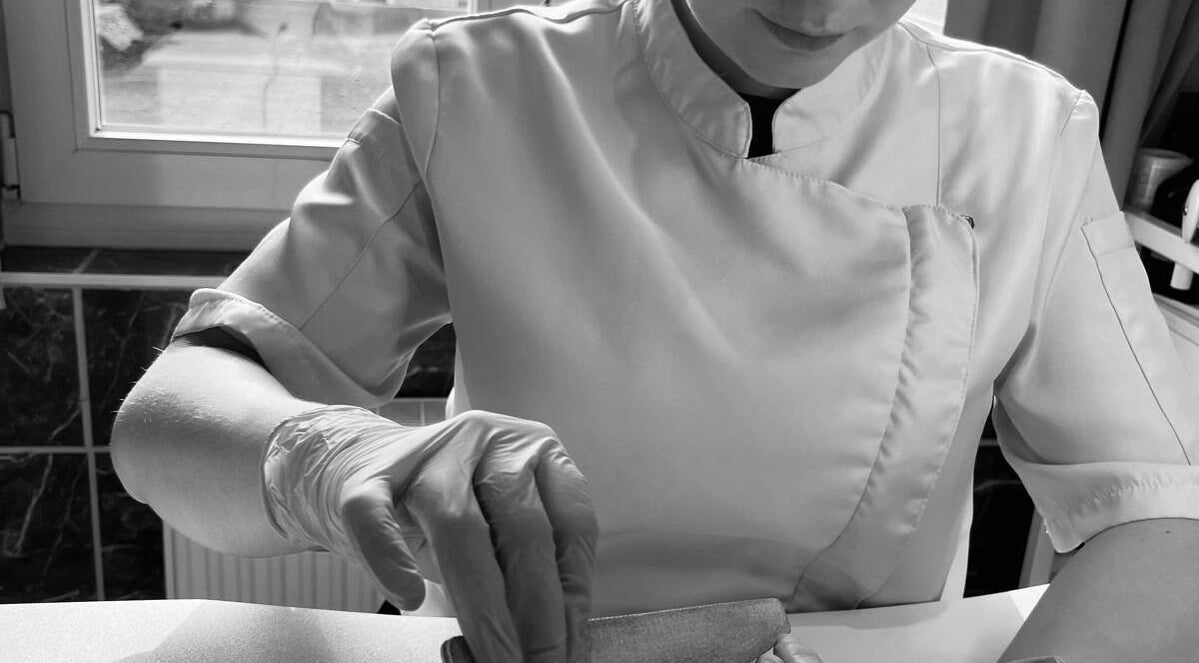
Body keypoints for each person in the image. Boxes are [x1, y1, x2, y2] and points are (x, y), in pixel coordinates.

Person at [110, 0, 1199, 661]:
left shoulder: (1020, 133)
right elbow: (165, 420)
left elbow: (1159, 514)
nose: (824, 8)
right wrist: (326, 455)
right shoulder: (479, 88)